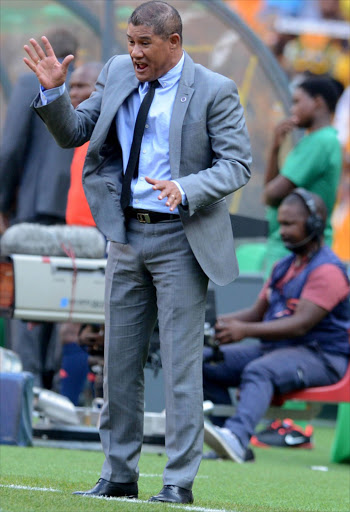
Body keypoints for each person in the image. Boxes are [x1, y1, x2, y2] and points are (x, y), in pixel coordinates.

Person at [23, 1, 251, 504]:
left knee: (180, 367)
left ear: (174, 42)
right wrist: (53, 91)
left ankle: (177, 482)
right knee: (119, 364)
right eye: (130, 41)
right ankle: (119, 474)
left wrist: (186, 187)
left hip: (180, 239)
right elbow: (75, 133)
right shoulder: (117, 71)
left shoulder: (215, 90)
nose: (134, 52)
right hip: (125, 235)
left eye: (145, 43)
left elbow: (237, 165)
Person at [203, 189, 350, 462]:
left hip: (322, 356)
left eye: (289, 224)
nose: (281, 231)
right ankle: (227, 440)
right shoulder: (283, 266)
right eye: (280, 223)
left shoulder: (328, 270)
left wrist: (243, 332)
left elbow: (299, 325)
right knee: (205, 362)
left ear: (315, 223)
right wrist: (216, 324)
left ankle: (236, 436)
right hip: (278, 350)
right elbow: (257, 313)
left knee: (260, 370)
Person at [0, 28, 79, 389]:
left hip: (33, 210)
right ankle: (54, 389)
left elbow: (10, 149)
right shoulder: (89, 88)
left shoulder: (29, 83)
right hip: (76, 214)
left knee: (25, 305)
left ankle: (27, 397)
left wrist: (1, 206)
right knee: (66, 303)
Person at [263, 73, 343, 275]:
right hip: (291, 245)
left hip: (298, 246)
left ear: (317, 102)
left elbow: (272, 195)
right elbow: (271, 194)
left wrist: (271, 192)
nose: (292, 109)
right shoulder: (315, 140)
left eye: (297, 102)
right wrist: (275, 148)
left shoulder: (321, 141)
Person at [59, 62, 104, 405]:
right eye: (71, 87)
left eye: (82, 86)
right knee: (76, 327)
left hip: (97, 239)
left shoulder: (105, 130)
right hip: (77, 239)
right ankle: (76, 403)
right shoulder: (79, 131)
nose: (74, 93)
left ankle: (72, 408)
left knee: (78, 328)